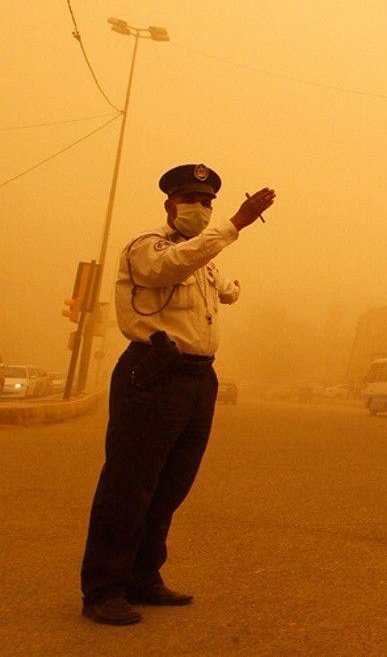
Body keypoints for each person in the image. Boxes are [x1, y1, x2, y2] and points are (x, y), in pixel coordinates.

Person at [79, 164, 275, 626]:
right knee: (130, 484)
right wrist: (236, 224)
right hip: (154, 372)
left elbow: (224, 290)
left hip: (198, 377)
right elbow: (170, 267)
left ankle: (143, 577)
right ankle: (103, 589)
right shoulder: (148, 247)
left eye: (208, 202)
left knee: (170, 485)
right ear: (169, 204)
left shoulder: (203, 259)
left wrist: (232, 286)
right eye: (191, 200)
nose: (201, 209)